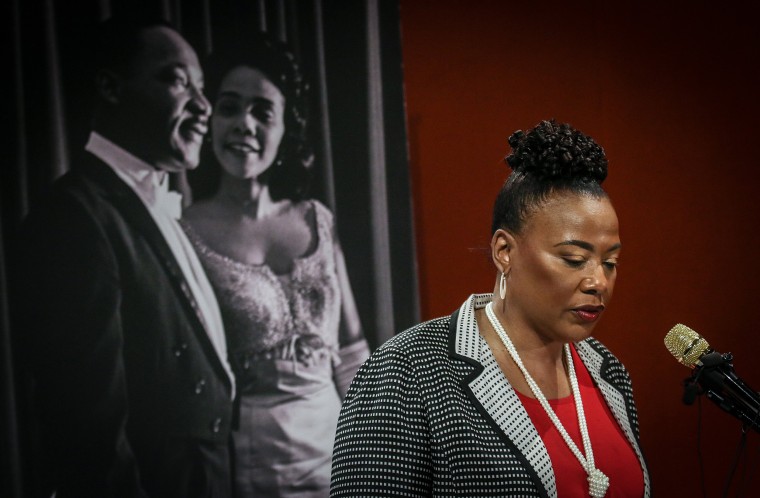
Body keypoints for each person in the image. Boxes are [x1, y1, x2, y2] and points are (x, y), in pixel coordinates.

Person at [331, 120, 650, 497]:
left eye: (610, 262)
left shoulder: (608, 373)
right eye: (574, 258)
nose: (598, 281)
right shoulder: (409, 371)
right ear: (505, 251)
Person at [12, 17, 236, 497]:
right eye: (178, 81)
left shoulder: (157, 206)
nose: (203, 106)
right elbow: (89, 436)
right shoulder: (73, 218)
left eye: (202, 87)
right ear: (111, 88)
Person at [182, 36, 369, 498]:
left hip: (334, 446)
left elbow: (351, 350)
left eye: (263, 112)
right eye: (229, 107)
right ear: (210, 121)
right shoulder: (183, 229)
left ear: (286, 130)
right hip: (247, 459)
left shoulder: (315, 218)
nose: (244, 124)